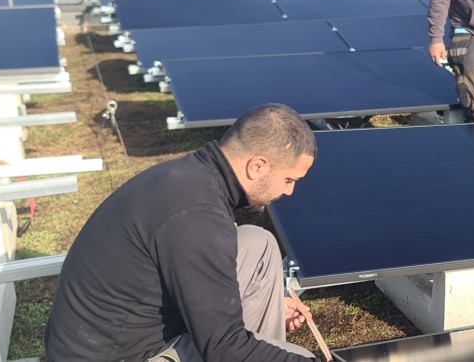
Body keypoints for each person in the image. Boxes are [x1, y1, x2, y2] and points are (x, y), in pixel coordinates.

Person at [45, 103, 319, 361]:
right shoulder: (198, 217)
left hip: (109, 332)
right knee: (300, 357)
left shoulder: (191, 176)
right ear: (257, 166)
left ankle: (261, 345)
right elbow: (223, 346)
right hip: (117, 355)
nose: (289, 191)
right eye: (289, 179)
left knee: (258, 243)